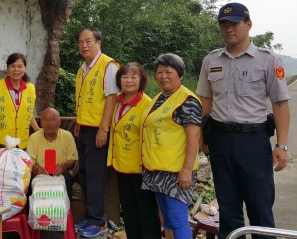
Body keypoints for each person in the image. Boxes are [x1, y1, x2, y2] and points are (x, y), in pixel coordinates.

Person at [196, 2, 290, 239]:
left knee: (260, 209)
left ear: (248, 25)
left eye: (234, 23)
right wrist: (202, 136)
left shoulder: (268, 60)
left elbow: (280, 103)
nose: (228, 29)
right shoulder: (211, 60)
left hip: (253, 143)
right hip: (220, 141)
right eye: (223, 24)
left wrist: (281, 145)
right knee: (228, 210)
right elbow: (205, 101)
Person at [141, 53, 202, 239]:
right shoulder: (159, 98)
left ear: (180, 75)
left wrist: (186, 170)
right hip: (158, 170)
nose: (163, 76)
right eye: (159, 72)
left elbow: (194, 136)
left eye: (169, 72)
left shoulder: (187, 100)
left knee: (177, 218)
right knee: (166, 218)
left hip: (177, 172)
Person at [73, 27, 119, 238]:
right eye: (81, 42)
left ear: (99, 43)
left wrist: (103, 128)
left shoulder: (108, 66)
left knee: (95, 176)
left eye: (88, 41)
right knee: (84, 173)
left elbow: (111, 98)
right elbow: (84, 101)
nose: (84, 45)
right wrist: (78, 122)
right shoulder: (83, 68)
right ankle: (91, 216)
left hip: (98, 130)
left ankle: (99, 220)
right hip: (84, 128)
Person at [107, 63, 161, 239]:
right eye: (124, 77)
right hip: (121, 165)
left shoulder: (148, 104)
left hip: (141, 168)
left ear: (141, 80)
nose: (128, 81)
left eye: (133, 77)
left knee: (146, 211)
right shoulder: (116, 101)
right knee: (129, 210)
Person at [0, 53, 40, 150]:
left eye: (20, 66)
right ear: (7, 68)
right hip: (1, 142)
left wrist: (38, 130)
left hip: (22, 142)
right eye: (12, 66)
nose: (16, 70)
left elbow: (28, 113)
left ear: (25, 68)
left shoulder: (31, 88)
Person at [26, 107, 78, 199]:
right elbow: (29, 162)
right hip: (40, 173)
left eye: (52, 120)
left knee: (67, 176)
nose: (49, 124)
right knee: (29, 179)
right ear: (41, 123)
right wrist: (36, 169)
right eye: (45, 120)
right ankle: (32, 212)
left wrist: (63, 166)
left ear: (59, 122)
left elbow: (72, 160)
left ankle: (65, 211)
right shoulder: (34, 137)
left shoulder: (67, 136)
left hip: (60, 173)